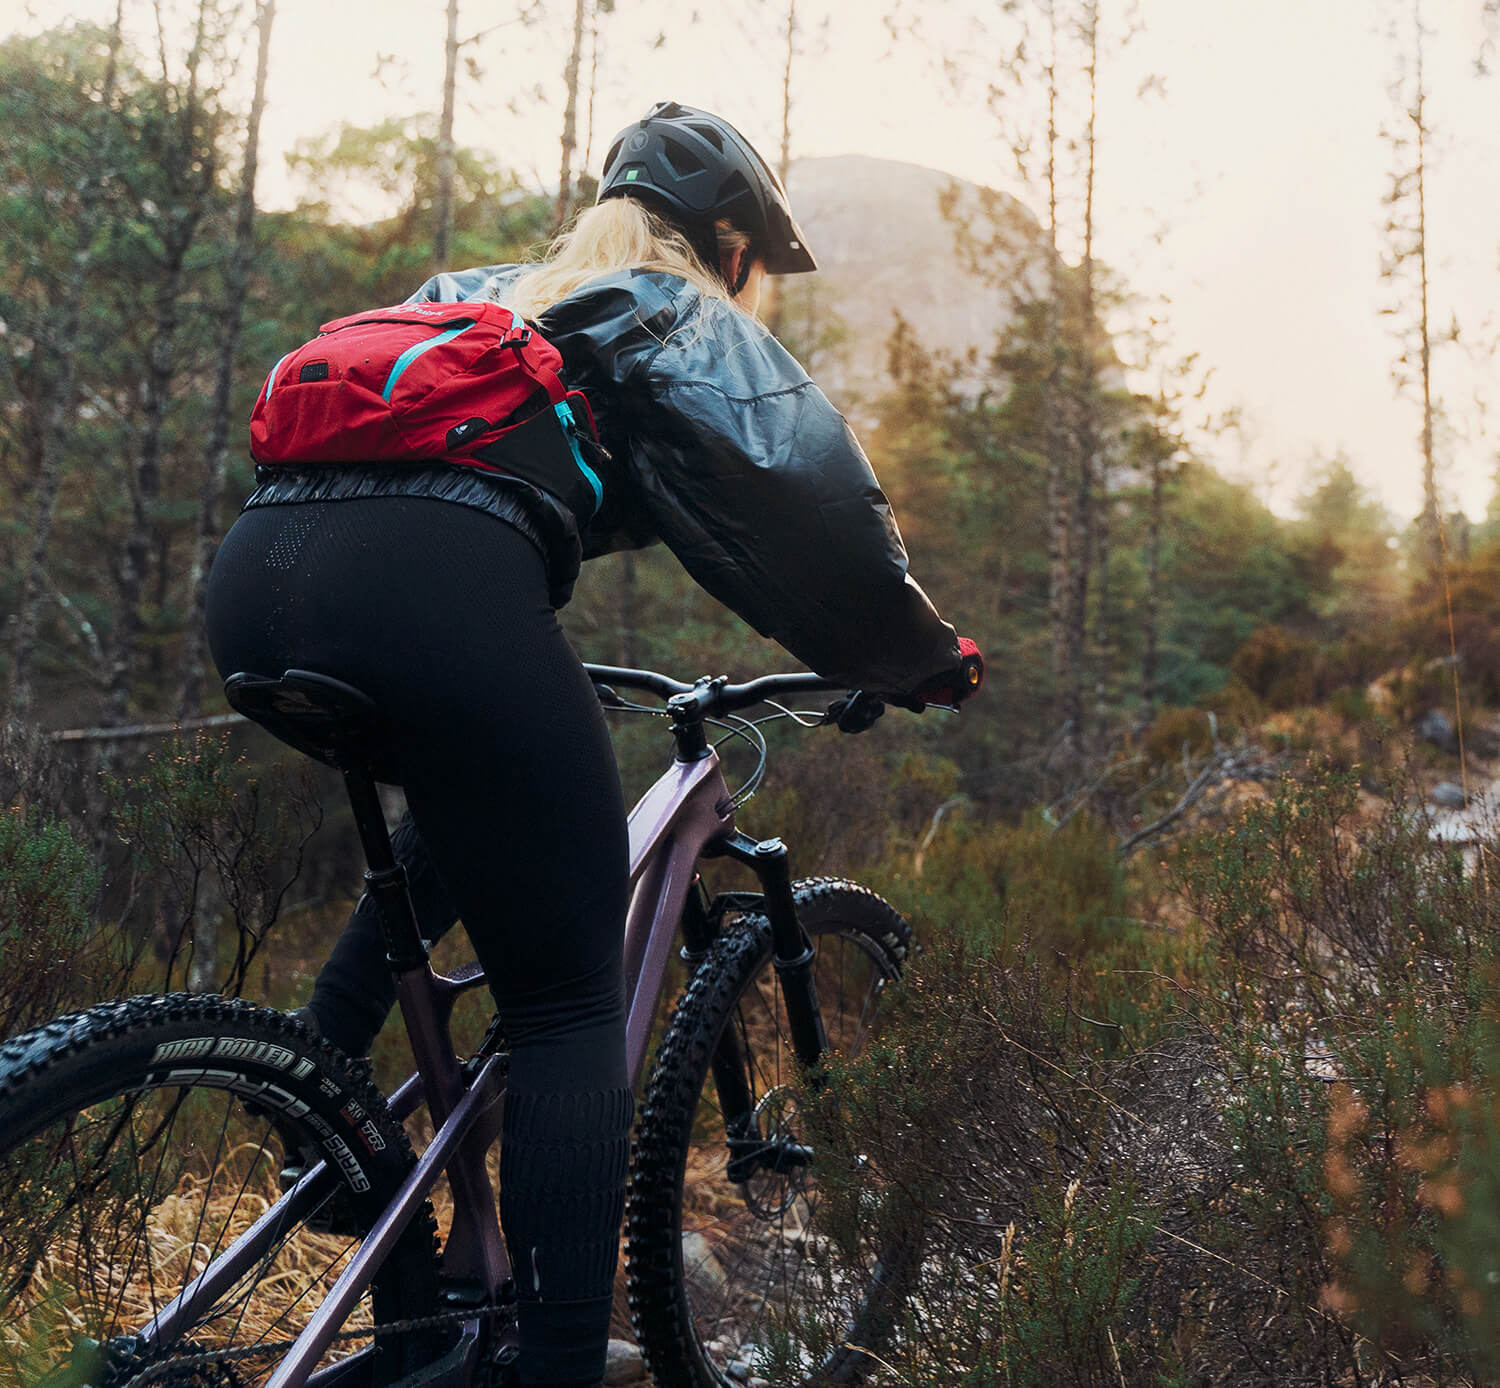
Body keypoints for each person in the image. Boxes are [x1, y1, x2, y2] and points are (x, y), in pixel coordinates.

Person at [204, 100, 981, 1388]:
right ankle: (556, 1361)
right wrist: (912, 656)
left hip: (262, 573)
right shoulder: (664, 306)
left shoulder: (480, 289)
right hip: (438, 587)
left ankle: (320, 1104)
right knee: (565, 1004)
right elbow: (810, 498)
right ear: (728, 244)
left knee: (467, 804)